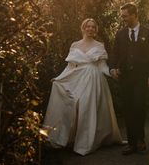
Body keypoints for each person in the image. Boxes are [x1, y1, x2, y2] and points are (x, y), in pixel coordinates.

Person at [43, 18, 122, 156]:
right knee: (72, 104)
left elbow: (102, 66)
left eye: (93, 27)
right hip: (77, 78)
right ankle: (68, 138)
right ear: (83, 28)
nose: (90, 29)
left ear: (95, 30)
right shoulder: (75, 45)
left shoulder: (99, 45)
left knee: (86, 107)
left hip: (93, 79)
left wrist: (111, 72)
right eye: (88, 26)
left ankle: (86, 143)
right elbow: (70, 66)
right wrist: (59, 79)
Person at [109, 3, 149, 155]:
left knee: (139, 106)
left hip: (142, 77)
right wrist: (112, 68)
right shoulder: (120, 34)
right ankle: (131, 143)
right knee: (128, 109)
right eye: (122, 16)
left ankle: (140, 139)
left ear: (134, 15)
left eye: (125, 16)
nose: (123, 19)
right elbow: (115, 54)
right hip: (125, 77)